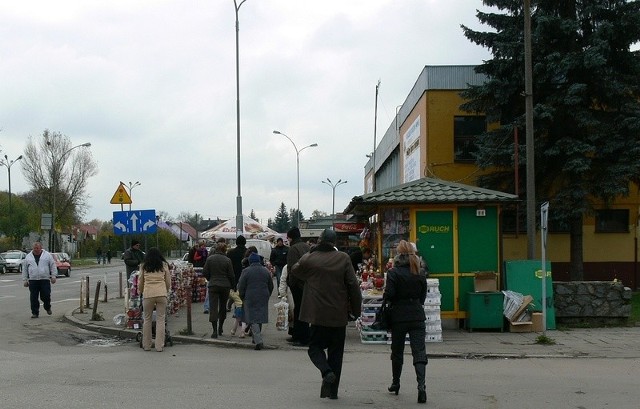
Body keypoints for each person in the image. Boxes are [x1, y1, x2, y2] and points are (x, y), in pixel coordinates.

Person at [291, 229, 362, 400]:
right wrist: (356, 311)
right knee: (336, 354)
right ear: (334, 242)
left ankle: (326, 371)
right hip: (338, 314)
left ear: (319, 241)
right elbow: (353, 285)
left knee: (315, 347)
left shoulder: (310, 259)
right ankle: (333, 392)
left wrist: (310, 251)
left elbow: (295, 270)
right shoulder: (344, 258)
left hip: (317, 314)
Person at [383, 240, 428, 404]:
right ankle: (421, 387)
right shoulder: (420, 272)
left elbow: (389, 295)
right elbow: (423, 297)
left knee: (397, 352)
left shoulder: (394, 273)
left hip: (399, 317)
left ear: (398, 255)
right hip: (417, 315)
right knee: (419, 352)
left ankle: (396, 383)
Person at [238, 252, 274, 350]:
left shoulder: (246, 271)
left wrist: (242, 296)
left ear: (250, 261)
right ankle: (255, 338)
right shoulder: (265, 271)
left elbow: (241, 286)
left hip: (250, 296)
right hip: (263, 295)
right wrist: (268, 294)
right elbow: (271, 285)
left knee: (253, 318)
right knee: (260, 317)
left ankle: (258, 341)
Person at [139, 247, 171, 352]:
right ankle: (159, 346)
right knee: (160, 319)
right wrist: (165, 291)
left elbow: (140, 281)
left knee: (147, 319)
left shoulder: (144, 266)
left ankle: (147, 345)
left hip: (148, 294)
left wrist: (141, 291)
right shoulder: (164, 265)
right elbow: (168, 281)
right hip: (161, 293)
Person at [203, 242, 235, 338]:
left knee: (213, 307)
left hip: (213, 285)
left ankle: (214, 330)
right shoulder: (227, 260)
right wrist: (232, 285)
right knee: (222, 307)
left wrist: (210, 278)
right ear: (225, 250)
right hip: (225, 285)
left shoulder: (210, 259)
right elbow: (231, 275)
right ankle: (220, 327)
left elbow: (205, 271)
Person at [286, 227, 310, 346]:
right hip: (307, 283)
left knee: (299, 310)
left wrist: (291, 283)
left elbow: (292, 268)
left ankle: (301, 337)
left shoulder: (293, 249)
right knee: (303, 309)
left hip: (297, 284)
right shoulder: (307, 247)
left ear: (291, 237)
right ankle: (297, 335)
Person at [22, 242, 57, 318]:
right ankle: (35, 312)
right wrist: (25, 280)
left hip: (44, 279)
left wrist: (53, 276)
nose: (36, 250)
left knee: (46, 295)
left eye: (37, 248)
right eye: (34, 248)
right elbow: (25, 269)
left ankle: (47, 307)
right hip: (33, 280)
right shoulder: (28, 257)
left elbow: (52, 265)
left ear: (41, 248)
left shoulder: (47, 255)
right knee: (33, 297)